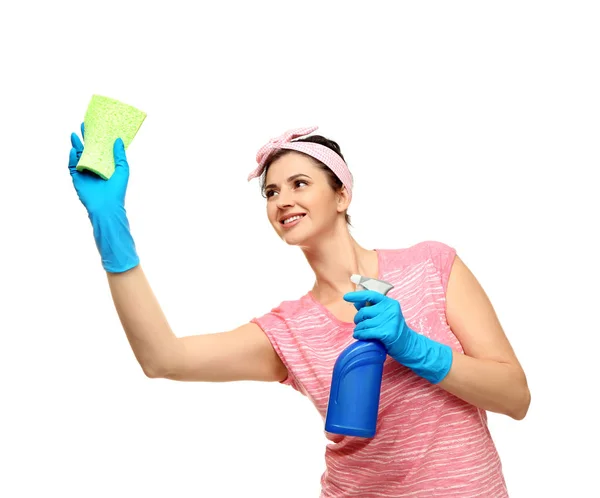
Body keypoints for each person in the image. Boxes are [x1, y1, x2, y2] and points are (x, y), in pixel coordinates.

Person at [68, 123, 531, 497]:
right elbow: (163, 358)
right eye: (270, 193)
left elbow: (515, 397)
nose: (282, 200)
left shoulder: (431, 266)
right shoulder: (289, 329)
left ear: (342, 195)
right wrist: (112, 228)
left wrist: (416, 349)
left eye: (299, 184)